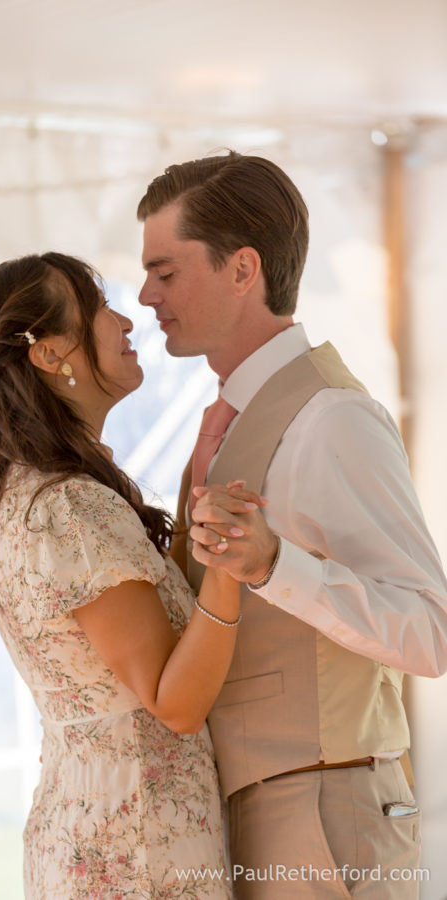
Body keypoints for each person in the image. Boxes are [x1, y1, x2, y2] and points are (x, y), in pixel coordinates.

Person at [136, 151, 447, 899]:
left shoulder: (332, 417)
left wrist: (275, 565)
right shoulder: (226, 419)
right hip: (256, 808)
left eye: (166, 271)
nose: (145, 294)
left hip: (322, 811)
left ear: (243, 269)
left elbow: (430, 633)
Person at [0, 251, 259, 898]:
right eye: (96, 310)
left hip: (96, 831)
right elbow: (175, 703)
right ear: (49, 355)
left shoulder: (32, 494)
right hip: (137, 851)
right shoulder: (70, 507)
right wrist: (230, 564)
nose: (126, 319)